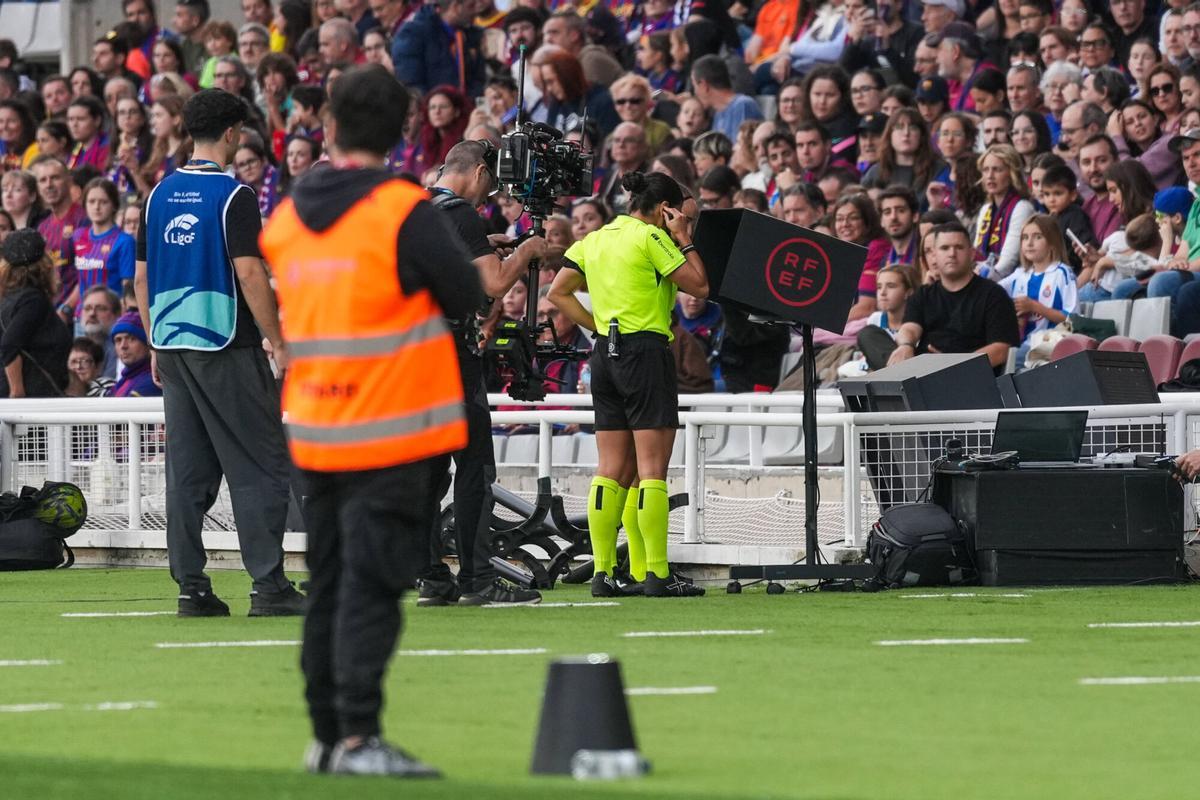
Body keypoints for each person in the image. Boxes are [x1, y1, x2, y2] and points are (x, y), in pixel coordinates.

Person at [260, 64, 482, 777]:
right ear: (403, 131)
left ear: (328, 127)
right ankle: (360, 737)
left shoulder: (289, 214)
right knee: (372, 587)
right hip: (391, 428)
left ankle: (327, 735)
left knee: (328, 580)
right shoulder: (401, 207)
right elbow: (462, 289)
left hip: (316, 425)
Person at [135, 89, 303, 618]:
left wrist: (155, 338)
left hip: (173, 343)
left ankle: (191, 587)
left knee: (188, 471)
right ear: (233, 133)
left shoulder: (157, 193)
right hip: (225, 342)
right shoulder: (235, 196)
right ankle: (269, 587)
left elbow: (140, 278)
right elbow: (250, 272)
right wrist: (277, 338)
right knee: (259, 464)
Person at [549, 171, 709, 597]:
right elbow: (700, 285)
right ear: (664, 209)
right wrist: (684, 237)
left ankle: (604, 572)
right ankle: (657, 573)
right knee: (651, 471)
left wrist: (600, 327)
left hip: (605, 355)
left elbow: (558, 292)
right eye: (677, 214)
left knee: (612, 471)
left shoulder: (596, 238)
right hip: (644, 352)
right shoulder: (650, 237)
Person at [420, 138, 548, 607]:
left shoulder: (417, 207)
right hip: (450, 354)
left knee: (429, 471)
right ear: (477, 172)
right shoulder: (462, 213)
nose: (488, 195)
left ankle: (432, 578)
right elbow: (494, 282)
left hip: (412, 353)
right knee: (473, 467)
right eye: (490, 185)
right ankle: (477, 579)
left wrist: (484, 248)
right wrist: (527, 249)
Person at [862, 222, 1020, 373]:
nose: (952, 254)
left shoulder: (994, 295)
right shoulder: (923, 294)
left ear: (972, 254)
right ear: (934, 256)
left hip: (968, 374)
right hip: (921, 373)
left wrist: (952, 366)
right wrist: (905, 345)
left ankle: (901, 378)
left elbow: (1001, 349)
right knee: (868, 334)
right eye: (945, 248)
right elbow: (909, 328)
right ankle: (901, 375)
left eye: (959, 247)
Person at [999, 215, 1077, 369]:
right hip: (1021, 341)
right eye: (1025, 237)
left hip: (1049, 340)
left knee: (1013, 360)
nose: (1029, 243)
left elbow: (1072, 319)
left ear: (1052, 242)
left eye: (1038, 237)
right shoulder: (1019, 274)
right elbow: (993, 291)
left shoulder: (1062, 273)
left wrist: (1035, 307)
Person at [0, 229, 70, 397]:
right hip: (32, 404)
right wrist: (17, 392)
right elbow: (9, 345)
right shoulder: (32, 300)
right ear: (44, 263)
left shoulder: (9, 298)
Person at [107, 310, 161, 396]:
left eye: (131, 338)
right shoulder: (123, 382)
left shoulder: (152, 381)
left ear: (147, 345)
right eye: (118, 340)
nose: (123, 346)